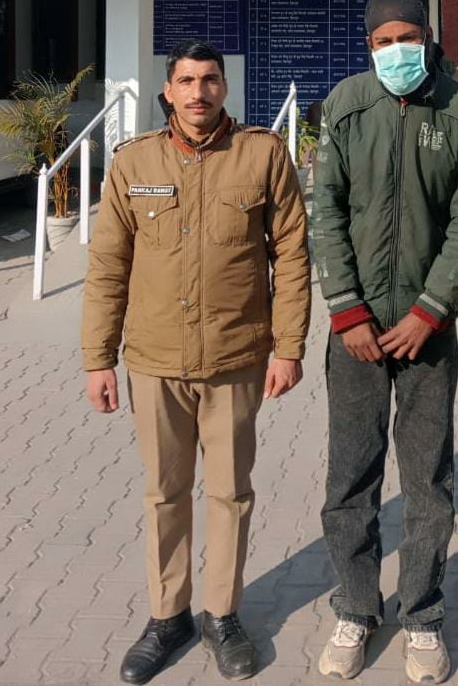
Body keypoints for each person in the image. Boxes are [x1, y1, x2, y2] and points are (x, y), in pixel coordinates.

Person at [82, 38, 311, 684]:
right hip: (154, 362)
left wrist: (289, 347)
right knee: (165, 493)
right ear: (168, 91)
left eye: (209, 80)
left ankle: (222, 615)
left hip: (236, 358)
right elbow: (108, 266)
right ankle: (167, 616)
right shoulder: (134, 162)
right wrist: (98, 358)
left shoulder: (262, 155)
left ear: (224, 88)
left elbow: (293, 255)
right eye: (186, 81)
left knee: (231, 493)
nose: (198, 92)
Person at [312, 0, 458, 684]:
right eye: (383, 42)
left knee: (427, 480)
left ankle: (422, 615)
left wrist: (430, 310)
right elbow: (326, 210)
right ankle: (356, 608)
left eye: (406, 38)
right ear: (369, 46)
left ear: (427, 38)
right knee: (351, 476)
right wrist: (347, 310)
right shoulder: (346, 105)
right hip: (354, 332)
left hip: (427, 333)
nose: (396, 51)